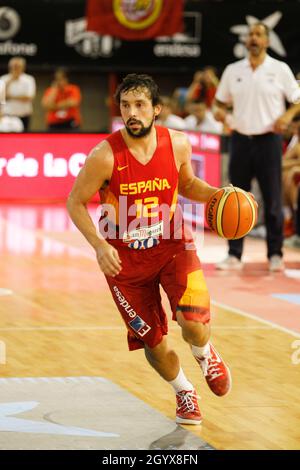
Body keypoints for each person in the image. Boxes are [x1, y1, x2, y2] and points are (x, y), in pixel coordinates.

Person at [67, 74, 232, 425]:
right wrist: (98, 245)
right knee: (153, 342)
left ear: (157, 110)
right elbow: (75, 202)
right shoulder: (104, 155)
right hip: (124, 263)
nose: (132, 112)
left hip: (173, 244)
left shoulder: (178, 144)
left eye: (140, 105)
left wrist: (219, 195)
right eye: (125, 105)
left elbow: (186, 183)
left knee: (192, 325)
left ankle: (204, 354)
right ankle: (184, 391)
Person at [214, 23, 300, 272]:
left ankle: (275, 254)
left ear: (267, 41)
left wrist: (287, 116)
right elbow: (220, 102)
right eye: (250, 34)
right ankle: (234, 254)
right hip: (240, 139)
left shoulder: (279, 69)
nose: (253, 38)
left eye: (258, 35)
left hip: (268, 141)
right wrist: (220, 114)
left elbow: (297, 100)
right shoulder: (233, 70)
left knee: (272, 200)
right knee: (235, 200)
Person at [0, 57, 36, 131]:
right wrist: (10, 81)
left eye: (18, 66)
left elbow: (28, 97)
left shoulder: (29, 79)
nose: (15, 69)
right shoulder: (3, 79)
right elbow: (1, 98)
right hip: (7, 116)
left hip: (23, 116)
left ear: (23, 67)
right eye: (13, 66)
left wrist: (10, 97)